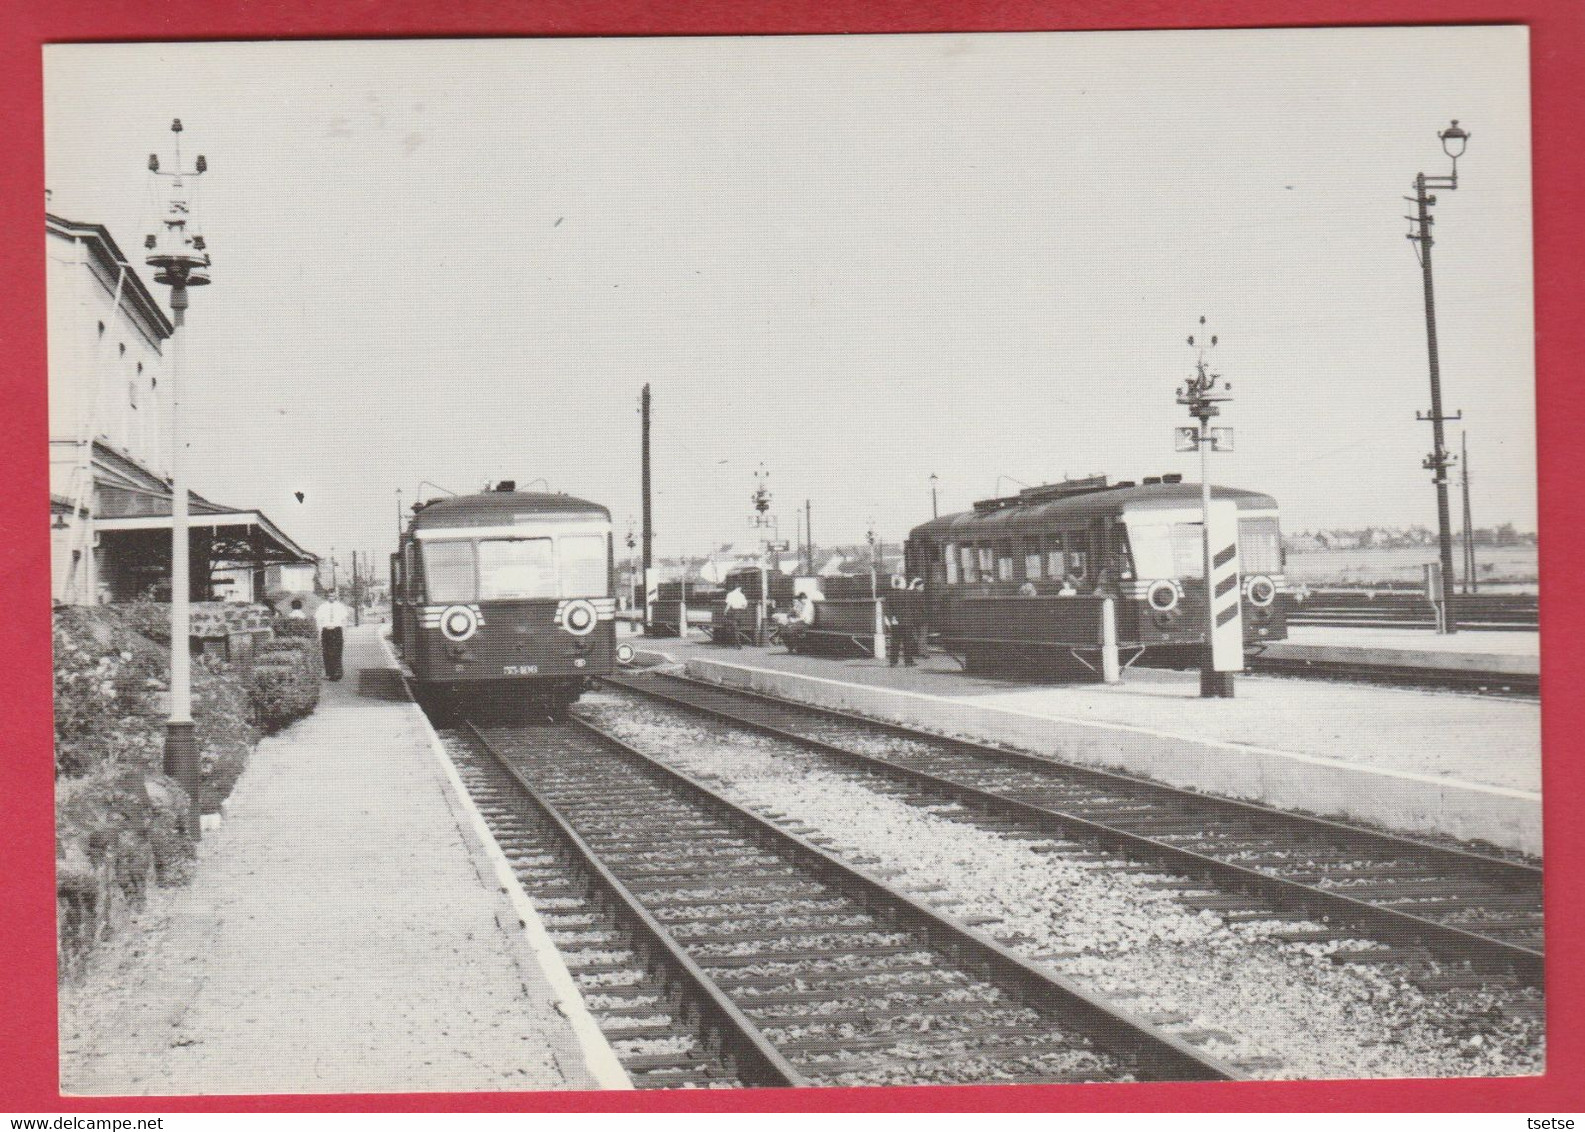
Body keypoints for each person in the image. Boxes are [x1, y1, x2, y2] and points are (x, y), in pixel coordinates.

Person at [315, 590, 351, 681]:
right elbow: (318, 621)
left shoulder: (340, 606)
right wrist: (319, 633)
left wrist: (344, 633)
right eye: (330, 596)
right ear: (327, 596)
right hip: (326, 631)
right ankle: (330, 673)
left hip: (337, 630)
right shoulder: (322, 607)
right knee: (327, 653)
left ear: (336, 596)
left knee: (337, 652)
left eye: (333, 596)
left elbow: (344, 620)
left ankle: (338, 672)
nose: (331, 598)